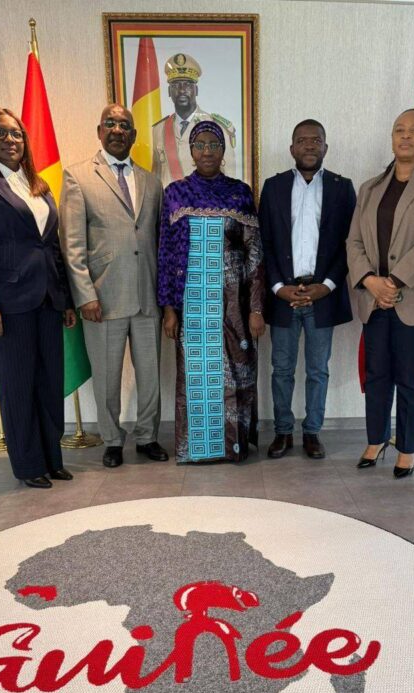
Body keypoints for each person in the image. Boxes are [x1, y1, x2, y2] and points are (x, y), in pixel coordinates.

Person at [0, 106, 76, 489]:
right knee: (17, 386)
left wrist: (65, 298)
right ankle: (28, 465)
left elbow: (51, 246)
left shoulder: (37, 183)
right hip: (6, 305)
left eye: (17, 133)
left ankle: (52, 458)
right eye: (0, 133)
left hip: (47, 300)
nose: (10, 140)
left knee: (49, 383)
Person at [60, 103, 168, 468]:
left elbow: (157, 240)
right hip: (102, 298)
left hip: (147, 296)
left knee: (151, 376)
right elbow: (72, 244)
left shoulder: (152, 182)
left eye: (124, 125)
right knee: (107, 377)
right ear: (99, 131)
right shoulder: (77, 177)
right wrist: (85, 295)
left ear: (134, 135)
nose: (117, 130)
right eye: (110, 124)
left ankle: (148, 436)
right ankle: (111, 440)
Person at [347, 109, 414, 477]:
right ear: (391, 138)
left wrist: (395, 280)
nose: (406, 136)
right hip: (374, 299)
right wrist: (371, 281)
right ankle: (376, 440)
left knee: (411, 378)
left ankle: (407, 448)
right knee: (377, 374)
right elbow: (354, 241)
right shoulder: (370, 187)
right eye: (399, 130)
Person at [158, 120, 265, 463]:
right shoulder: (175, 193)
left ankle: (234, 445)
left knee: (236, 371)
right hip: (191, 305)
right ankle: (197, 449)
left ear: (223, 150)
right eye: (200, 145)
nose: (207, 151)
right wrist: (169, 309)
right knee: (196, 374)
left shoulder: (240, 192)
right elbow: (166, 253)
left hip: (234, 304)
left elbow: (255, 254)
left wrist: (256, 308)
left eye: (213, 145)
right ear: (191, 151)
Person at [259, 119, 356, 460]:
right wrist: (277, 287)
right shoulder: (273, 187)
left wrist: (326, 286)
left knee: (318, 370)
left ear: (325, 147)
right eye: (302, 140)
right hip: (283, 295)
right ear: (292, 148)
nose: (310, 145)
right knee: (282, 369)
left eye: (316, 140)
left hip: (322, 295)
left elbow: (351, 244)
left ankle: (313, 432)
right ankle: (283, 432)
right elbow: (264, 242)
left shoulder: (342, 188)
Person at [152, 53, 236, 187]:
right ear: (169, 91)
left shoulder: (217, 127)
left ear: (196, 90)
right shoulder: (159, 129)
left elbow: (229, 181)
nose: (181, 90)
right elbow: (156, 179)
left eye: (187, 85)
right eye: (175, 85)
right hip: (170, 200)